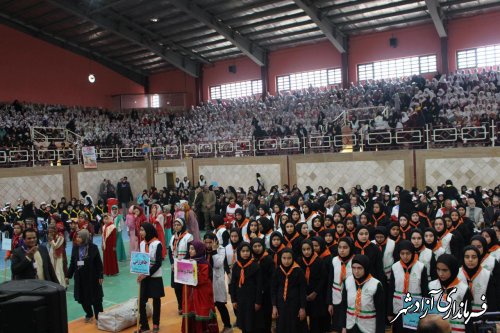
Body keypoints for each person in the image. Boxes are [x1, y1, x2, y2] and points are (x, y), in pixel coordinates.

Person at [388, 240, 428, 333]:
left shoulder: (421, 267)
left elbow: (425, 290)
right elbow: (391, 290)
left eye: (408, 253)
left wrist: (425, 312)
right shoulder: (395, 267)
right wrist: (389, 312)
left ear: (413, 253)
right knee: (398, 330)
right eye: (402, 253)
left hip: (414, 307)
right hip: (398, 306)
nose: (405, 256)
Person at [339, 254, 386, 333]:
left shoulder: (376, 285)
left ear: (366, 267)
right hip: (351, 326)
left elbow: (380, 313)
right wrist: (344, 326)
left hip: (368, 328)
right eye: (353, 268)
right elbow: (344, 306)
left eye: (359, 268)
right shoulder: (347, 281)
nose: (356, 271)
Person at [428, 254, 473, 333]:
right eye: (438, 269)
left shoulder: (463, 289)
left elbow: (468, 317)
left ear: (453, 270)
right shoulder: (431, 286)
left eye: (445, 270)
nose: (440, 273)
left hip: (457, 330)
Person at [66, 229, 104, 323]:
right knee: (82, 298)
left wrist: (100, 276)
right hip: (80, 278)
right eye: (77, 237)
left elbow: (99, 263)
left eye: (79, 237)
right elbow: (72, 263)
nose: (77, 238)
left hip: (92, 277)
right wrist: (68, 276)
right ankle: (89, 314)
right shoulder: (75, 248)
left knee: (96, 299)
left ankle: (99, 316)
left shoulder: (93, 248)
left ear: (84, 237)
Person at [271, 248, 308, 333]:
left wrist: (302, 307)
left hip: (295, 305)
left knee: (295, 327)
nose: (286, 261)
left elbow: (302, 290)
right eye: (284, 258)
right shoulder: (277, 271)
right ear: (280, 258)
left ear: (293, 258)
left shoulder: (299, 271)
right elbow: (273, 289)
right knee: (282, 327)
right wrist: (274, 306)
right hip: (281, 305)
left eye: (289, 258)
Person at [137, 223, 165, 333]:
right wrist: (139, 273)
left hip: (155, 276)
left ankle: (156, 324)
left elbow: (158, 263)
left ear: (148, 231)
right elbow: (140, 260)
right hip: (144, 277)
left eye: (142, 230)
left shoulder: (157, 244)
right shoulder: (142, 244)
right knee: (141, 301)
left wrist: (146, 273)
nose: (140, 232)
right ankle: (144, 325)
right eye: (140, 230)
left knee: (156, 301)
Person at [230, 242, 262, 333]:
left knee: (252, 324)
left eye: (247, 251)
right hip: (240, 300)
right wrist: (233, 300)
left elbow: (259, 285)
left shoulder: (255, 266)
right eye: (243, 251)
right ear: (239, 252)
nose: (245, 253)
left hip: (252, 300)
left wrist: (258, 301)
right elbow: (233, 284)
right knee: (243, 323)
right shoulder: (236, 266)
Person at [298, 239, 327, 333]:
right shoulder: (299, 261)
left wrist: (315, 293)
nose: (306, 252)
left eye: (308, 249)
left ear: (312, 249)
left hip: (316, 295)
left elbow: (323, 279)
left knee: (315, 320)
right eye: (304, 249)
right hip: (303, 294)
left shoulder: (319, 261)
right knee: (302, 320)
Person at [204, 233, 232, 332]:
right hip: (205, 281)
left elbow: (218, 264)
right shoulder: (203, 251)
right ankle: (208, 327)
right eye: (206, 242)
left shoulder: (221, 250)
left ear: (215, 241)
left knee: (220, 304)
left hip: (216, 281)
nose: (208, 245)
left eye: (210, 242)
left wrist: (214, 251)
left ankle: (228, 326)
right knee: (207, 306)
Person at [457, 246, 497, 313]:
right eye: (467, 257)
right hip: (460, 314)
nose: (470, 260)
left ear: (479, 258)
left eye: (474, 257)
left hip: (482, 314)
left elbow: (492, 300)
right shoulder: (457, 274)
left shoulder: (487, 275)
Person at [328, 237, 355, 332]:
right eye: (339, 247)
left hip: (351, 300)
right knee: (337, 326)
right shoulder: (334, 260)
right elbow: (330, 282)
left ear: (351, 248)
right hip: (336, 298)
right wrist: (330, 303)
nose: (342, 250)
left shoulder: (355, 261)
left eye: (345, 247)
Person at [169, 217, 194, 314]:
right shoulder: (173, 237)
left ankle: (187, 306)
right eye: (175, 225)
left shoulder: (188, 237)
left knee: (185, 288)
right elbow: (170, 251)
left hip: (185, 266)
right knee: (177, 287)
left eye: (178, 224)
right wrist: (172, 263)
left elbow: (190, 251)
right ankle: (180, 305)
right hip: (175, 266)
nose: (176, 226)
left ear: (182, 225)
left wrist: (182, 263)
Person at [251, 237, 275, 333]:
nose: (257, 248)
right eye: (254, 246)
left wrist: (263, 289)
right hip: (254, 295)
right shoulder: (250, 259)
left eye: (259, 246)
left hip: (266, 294)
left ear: (263, 246)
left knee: (266, 320)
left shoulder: (268, 259)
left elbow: (272, 278)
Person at [47, 224, 67, 288]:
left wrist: (51, 240)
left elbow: (56, 246)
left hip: (58, 255)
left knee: (58, 270)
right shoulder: (52, 236)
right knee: (53, 269)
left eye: (51, 230)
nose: (50, 232)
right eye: (49, 231)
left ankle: (61, 285)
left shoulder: (60, 237)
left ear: (55, 229)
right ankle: (55, 284)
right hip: (51, 253)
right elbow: (50, 246)